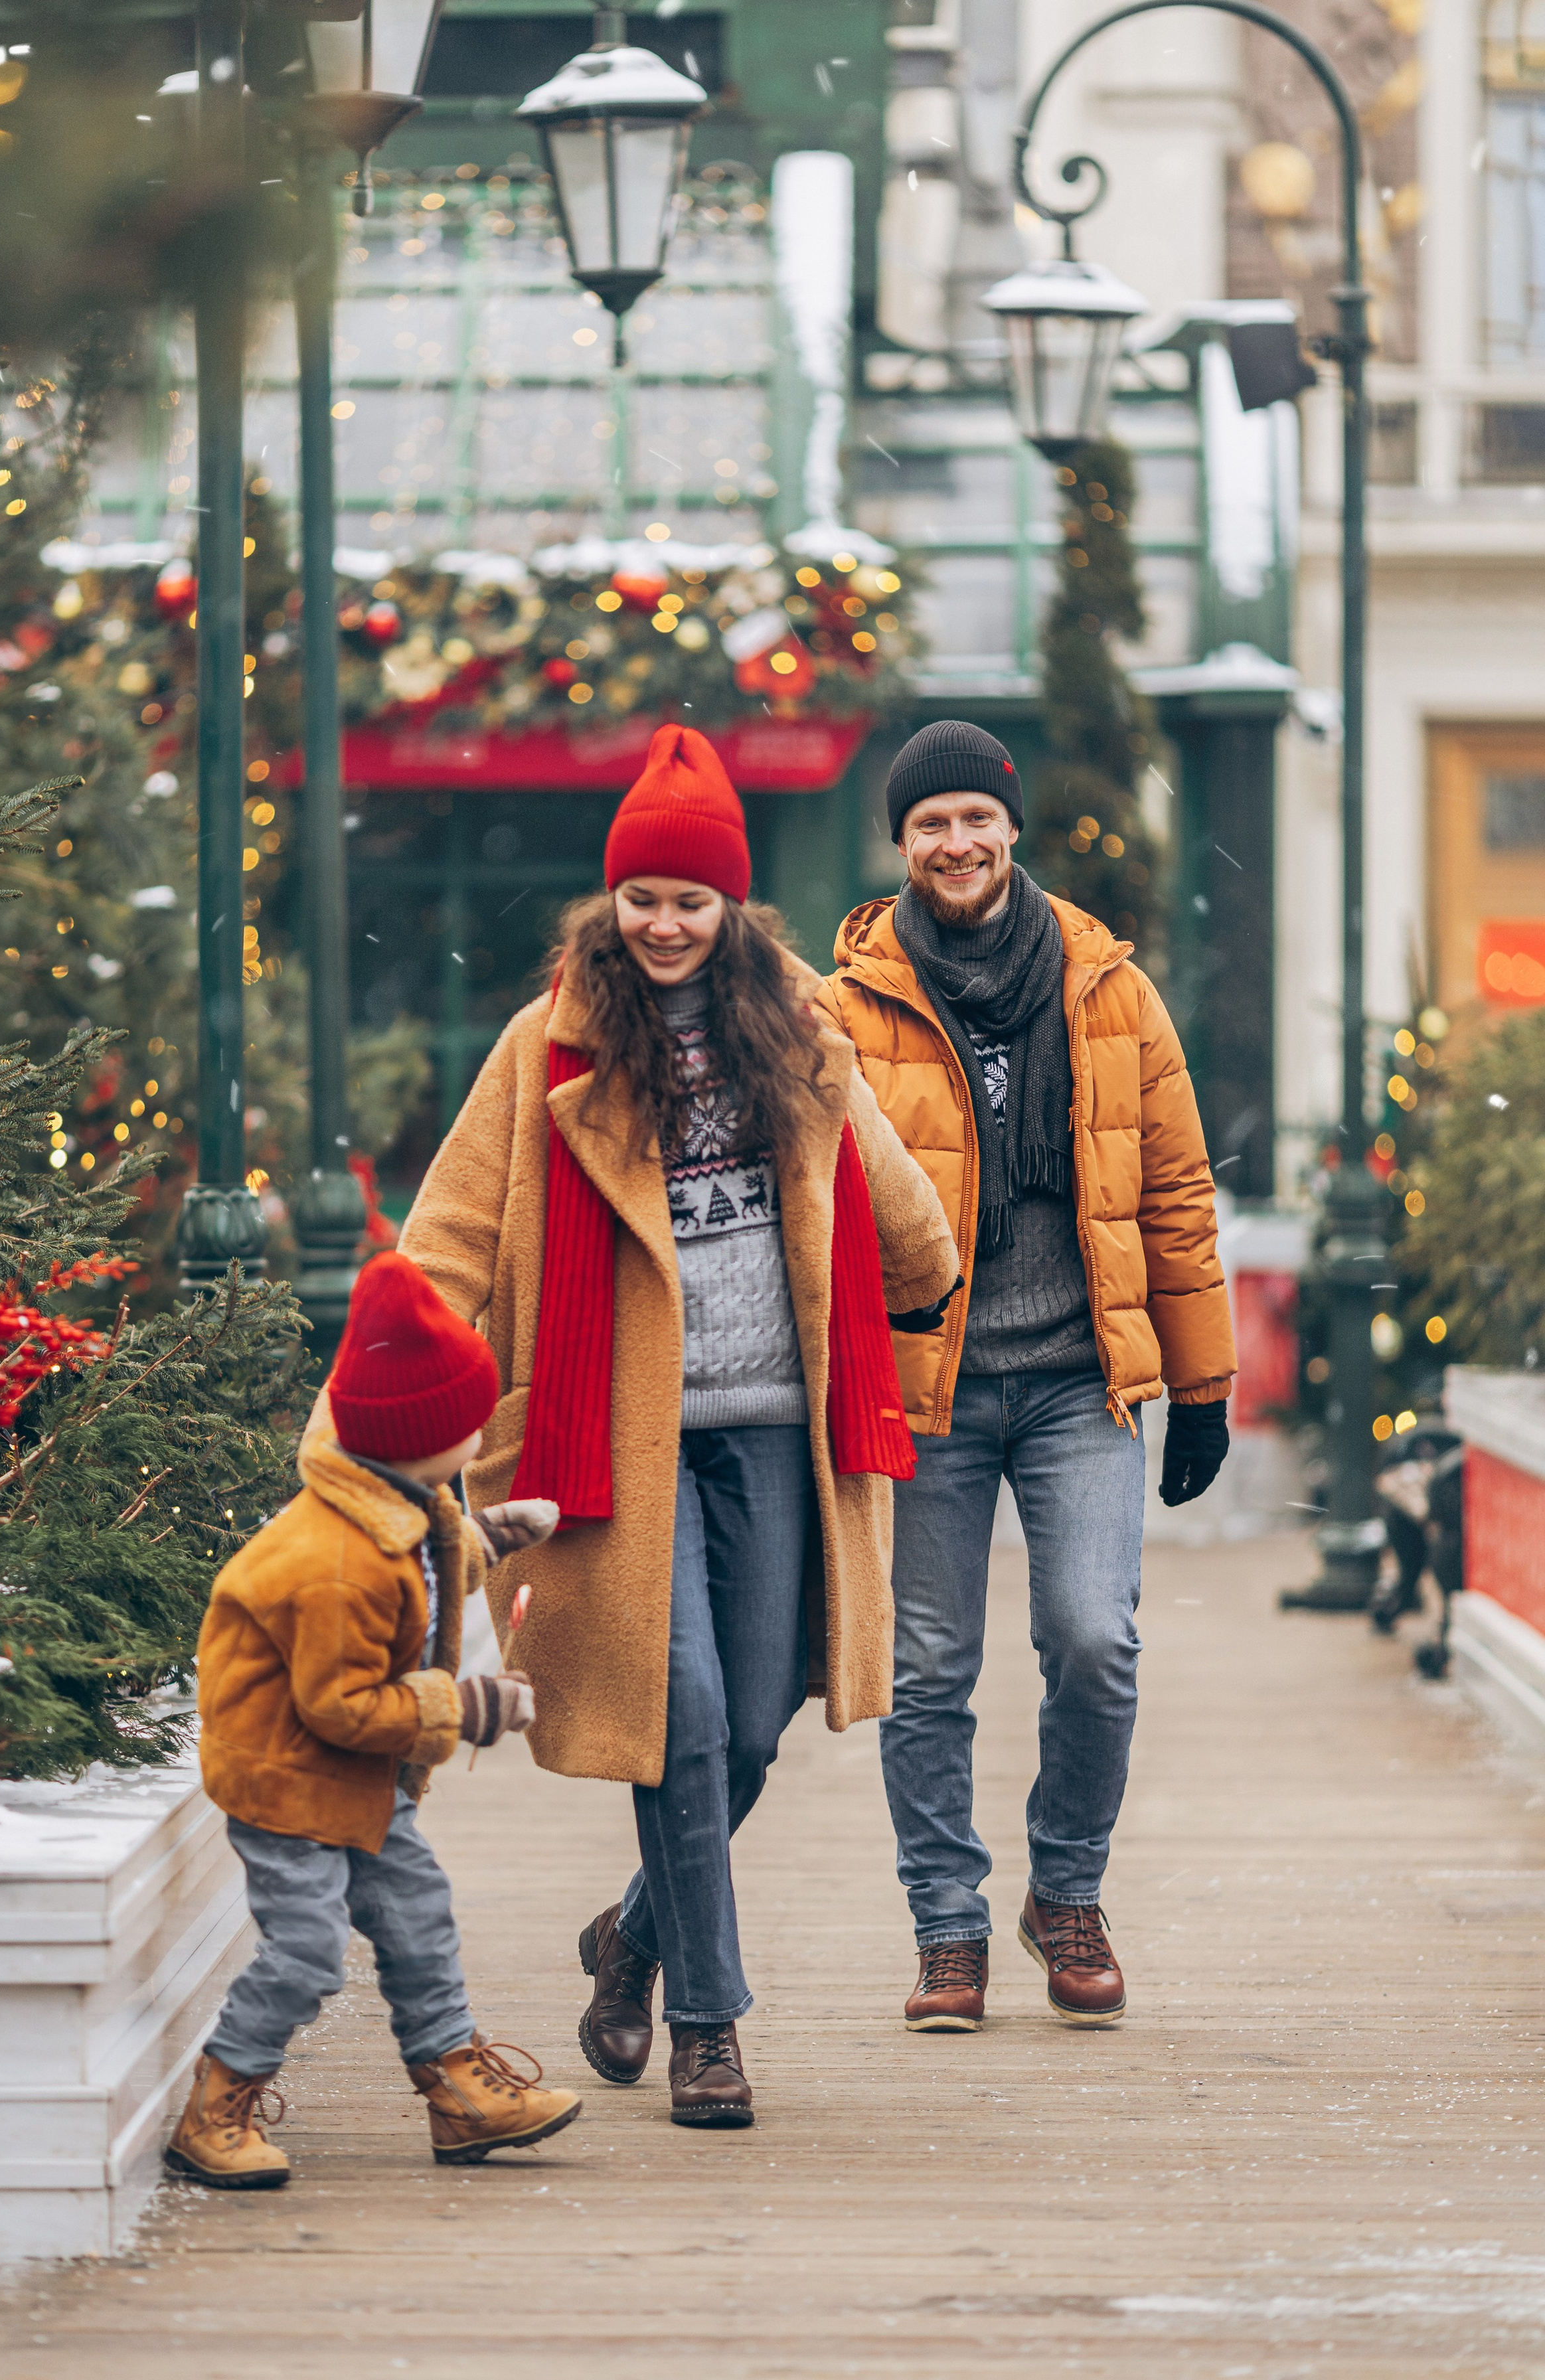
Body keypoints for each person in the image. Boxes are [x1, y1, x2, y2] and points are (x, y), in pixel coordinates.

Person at [386, 722, 959, 2128]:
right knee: (683, 1717)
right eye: (641, 896)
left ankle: (630, 1935)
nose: (661, 922)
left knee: (754, 1720)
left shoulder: (799, 1030)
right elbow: (453, 1226)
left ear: (728, 908)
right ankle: (708, 2022)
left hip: (774, 1425)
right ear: (612, 901)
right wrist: (399, 1386)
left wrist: (928, 1273)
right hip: (619, 1431)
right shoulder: (548, 1047)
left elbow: (885, 1193)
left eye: (688, 899)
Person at [817, 718, 1236, 2032]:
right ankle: (946, 1926)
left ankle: (1065, 1890)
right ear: (901, 845)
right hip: (923, 1384)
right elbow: (814, 1203)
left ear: (1009, 830)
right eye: (927, 824)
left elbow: (1170, 1186)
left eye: (972, 819)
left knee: (1091, 1639)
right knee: (928, 1667)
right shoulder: (848, 1002)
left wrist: (1203, 1383)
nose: (953, 842)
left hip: (1074, 1378)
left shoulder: (1107, 986)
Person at [167, 1252, 583, 2189]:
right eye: (467, 1424)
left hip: (358, 1778)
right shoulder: (334, 1561)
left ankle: (459, 2095)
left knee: (416, 1913)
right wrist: (469, 1705)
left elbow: (421, 1573)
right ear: (418, 1437)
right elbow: (343, 1704)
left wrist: (486, 1537)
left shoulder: (396, 1500)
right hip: (287, 1777)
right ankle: (215, 2102)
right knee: (309, 1948)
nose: (479, 1434)